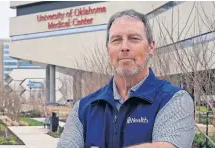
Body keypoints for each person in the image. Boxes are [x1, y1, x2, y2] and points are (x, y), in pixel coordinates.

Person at [57, 9, 195, 148]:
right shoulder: (83, 109)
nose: (124, 47)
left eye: (134, 38)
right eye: (116, 40)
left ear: (151, 47)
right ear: (108, 49)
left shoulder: (174, 100)